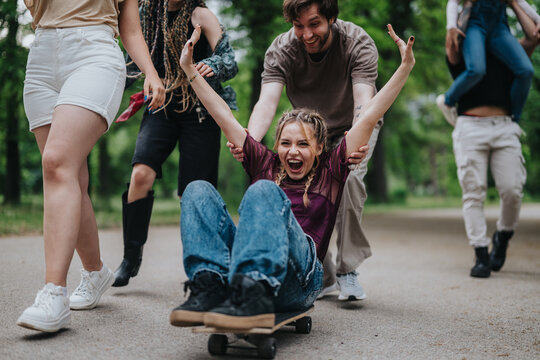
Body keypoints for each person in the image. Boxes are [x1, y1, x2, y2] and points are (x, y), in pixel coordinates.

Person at [168, 24, 414, 329]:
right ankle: (209, 285)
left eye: (302, 144)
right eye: (285, 143)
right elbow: (222, 115)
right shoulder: (264, 165)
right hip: (243, 275)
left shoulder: (332, 170)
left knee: (265, 192)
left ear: (319, 148)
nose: (293, 152)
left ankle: (256, 289)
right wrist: (188, 68)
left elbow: (370, 114)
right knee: (197, 190)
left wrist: (404, 68)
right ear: (276, 146)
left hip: (299, 280)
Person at [16, 0, 165, 333]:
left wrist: (151, 73)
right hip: (41, 56)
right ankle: (96, 271)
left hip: (94, 54)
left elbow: (129, 26)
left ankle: (53, 293)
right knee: (69, 176)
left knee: (56, 163)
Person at [228, 0, 380, 301]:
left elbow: (365, 100)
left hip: (355, 124)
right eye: (299, 26)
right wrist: (250, 142)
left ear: (332, 19)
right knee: (300, 188)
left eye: (315, 24)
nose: (307, 34)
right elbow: (267, 101)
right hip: (309, 132)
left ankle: (347, 270)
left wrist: (355, 141)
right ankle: (320, 272)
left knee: (348, 181)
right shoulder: (282, 49)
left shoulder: (358, 42)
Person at [112, 0, 238, 287]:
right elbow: (131, 59)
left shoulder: (201, 15)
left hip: (200, 110)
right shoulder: (146, 13)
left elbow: (230, 60)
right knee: (140, 174)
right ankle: (130, 258)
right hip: (162, 103)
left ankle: (205, 267)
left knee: (194, 193)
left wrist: (212, 63)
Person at [442, 1, 539, 278]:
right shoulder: (461, 48)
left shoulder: (510, 48)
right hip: (470, 126)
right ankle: (481, 254)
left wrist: (513, 4)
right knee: (474, 191)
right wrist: (458, 19)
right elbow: (456, 21)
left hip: (505, 125)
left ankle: (503, 237)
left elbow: (534, 36)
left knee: (512, 190)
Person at [437, 0, 539, 123]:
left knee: (526, 70)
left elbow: (520, 3)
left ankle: (514, 119)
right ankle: (448, 100)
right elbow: (453, 1)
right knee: (477, 70)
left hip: (498, 27)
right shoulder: (465, 47)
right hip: (476, 23)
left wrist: (537, 19)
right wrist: (451, 27)